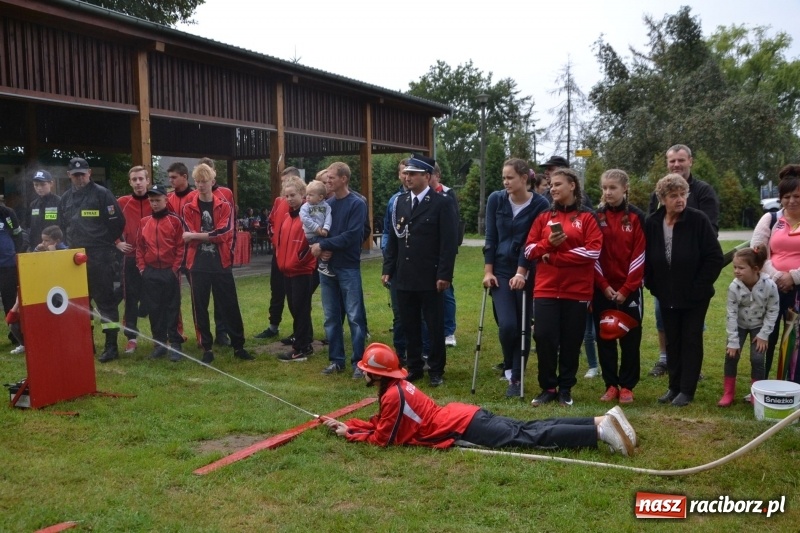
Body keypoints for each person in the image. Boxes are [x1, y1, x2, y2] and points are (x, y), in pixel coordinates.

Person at [322, 343, 636, 457]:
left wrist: (351, 434)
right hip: (465, 416)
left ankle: (599, 431)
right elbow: (382, 425)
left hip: (463, 426)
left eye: (365, 369)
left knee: (530, 437)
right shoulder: (398, 388)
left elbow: (383, 439)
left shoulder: (393, 396)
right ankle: (602, 420)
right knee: (530, 428)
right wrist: (349, 426)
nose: (363, 373)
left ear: (376, 374)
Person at [524, 168, 602, 407]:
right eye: (551, 185)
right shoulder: (543, 217)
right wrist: (547, 244)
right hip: (546, 289)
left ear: (572, 186)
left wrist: (555, 257)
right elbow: (529, 250)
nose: (553, 188)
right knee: (544, 337)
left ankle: (566, 388)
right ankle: (548, 387)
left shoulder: (587, 217)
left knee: (571, 341)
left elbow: (593, 252)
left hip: (577, 291)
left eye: (558, 184)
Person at [644, 174, 723, 407]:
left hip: (695, 296)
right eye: (673, 196)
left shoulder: (698, 220)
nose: (680, 199)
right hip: (666, 294)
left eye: (683, 194)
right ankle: (674, 387)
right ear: (662, 198)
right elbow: (646, 257)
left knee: (690, 339)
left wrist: (698, 288)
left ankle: (687, 390)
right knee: (672, 340)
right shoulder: (653, 222)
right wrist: (653, 284)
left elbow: (714, 257)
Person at [382, 155, 458, 387]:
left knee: (433, 325)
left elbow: (448, 242)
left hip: (429, 274)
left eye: (413, 174)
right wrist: (388, 268)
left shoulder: (441, 203)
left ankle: (436, 369)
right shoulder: (400, 202)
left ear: (426, 176)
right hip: (404, 273)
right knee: (409, 323)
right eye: (406, 173)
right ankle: (414, 366)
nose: (408, 177)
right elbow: (394, 239)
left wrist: (444, 274)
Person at [483, 158, 549, 397]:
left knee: (522, 325)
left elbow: (533, 241)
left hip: (528, 270)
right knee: (507, 325)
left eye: (510, 177)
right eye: (504, 178)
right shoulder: (496, 199)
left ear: (524, 178)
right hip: (500, 270)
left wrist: (523, 271)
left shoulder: (540, 204)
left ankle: (516, 377)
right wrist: (488, 271)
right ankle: (509, 364)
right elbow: (491, 238)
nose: (505, 182)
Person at [181, 163, 252, 364]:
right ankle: (207, 347)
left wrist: (196, 235)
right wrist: (202, 236)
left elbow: (223, 234)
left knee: (230, 304)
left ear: (212, 181)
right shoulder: (188, 207)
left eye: (204, 181)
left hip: (221, 263)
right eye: (197, 181)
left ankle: (238, 346)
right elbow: (186, 234)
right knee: (200, 307)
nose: (201, 185)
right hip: (197, 264)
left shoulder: (224, 206)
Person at [59, 157, 125, 362]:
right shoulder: (65, 198)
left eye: (82, 174)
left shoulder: (102, 194)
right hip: (75, 258)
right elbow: (62, 225)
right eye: (75, 175)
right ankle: (86, 344)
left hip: (100, 256)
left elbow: (118, 223)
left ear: (89, 173)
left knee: (105, 301)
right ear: (69, 176)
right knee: (80, 302)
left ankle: (111, 346)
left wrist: (103, 242)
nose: (79, 178)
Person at [592, 169, 646, 404]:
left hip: (629, 289)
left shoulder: (636, 216)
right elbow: (593, 253)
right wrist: (603, 285)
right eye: (604, 188)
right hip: (602, 288)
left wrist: (626, 289)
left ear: (625, 188)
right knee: (605, 337)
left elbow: (640, 254)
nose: (608, 192)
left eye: (613, 188)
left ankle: (627, 386)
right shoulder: (596, 216)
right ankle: (611, 384)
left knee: (630, 339)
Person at [310, 162, 368, 377]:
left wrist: (325, 246)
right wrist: (319, 247)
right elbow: (314, 229)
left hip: (348, 267)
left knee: (355, 317)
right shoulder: (326, 204)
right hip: (327, 269)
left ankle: (359, 363)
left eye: (332, 177)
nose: (328, 181)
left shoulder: (357, 204)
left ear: (344, 179)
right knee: (331, 316)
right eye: (327, 178)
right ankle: (336, 360)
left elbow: (352, 235)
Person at [750, 164, 800, 380]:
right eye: (787, 197)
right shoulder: (770, 219)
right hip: (771, 288)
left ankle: (792, 386)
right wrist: (779, 277)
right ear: (780, 198)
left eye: (797, 196)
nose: (792, 201)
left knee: (795, 341)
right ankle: (759, 385)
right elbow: (757, 251)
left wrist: (794, 277)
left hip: (798, 290)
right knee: (765, 338)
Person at [719, 248, 779, 406]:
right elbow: (731, 314)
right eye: (735, 267)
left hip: (759, 327)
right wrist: (733, 341)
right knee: (731, 356)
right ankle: (728, 393)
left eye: (741, 268)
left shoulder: (770, 285)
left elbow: (773, 310)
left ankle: (755, 394)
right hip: (739, 325)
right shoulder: (734, 287)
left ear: (755, 269)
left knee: (757, 359)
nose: (736, 271)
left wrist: (764, 335)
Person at [136, 184, 185, 362]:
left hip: (169, 271)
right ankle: (159, 344)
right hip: (150, 272)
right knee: (154, 309)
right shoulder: (144, 222)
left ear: (166, 199)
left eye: (157, 200)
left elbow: (181, 246)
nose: (154, 204)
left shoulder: (175, 221)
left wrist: (174, 269)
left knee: (172, 308)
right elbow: (139, 248)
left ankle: (175, 343)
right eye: (151, 201)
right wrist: (143, 269)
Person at [254, 166, 301, 341]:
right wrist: (276, 241)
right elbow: (271, 222)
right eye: (282, 183)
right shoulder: (279, 201)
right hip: (279, 254)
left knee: (296, 294)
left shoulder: (304, 204)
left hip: (295, 256)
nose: (284, 187)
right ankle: (273, 325)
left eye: (287, 182)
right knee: (276, 290)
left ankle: (300, 331)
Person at [276, 179, 318, 362]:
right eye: (286, 196)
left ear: (303, 194)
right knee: (294, 307)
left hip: (302, 270)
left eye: (293, 195)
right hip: (287, 270)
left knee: (301, 308)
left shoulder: (308, 216)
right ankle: (305, 341)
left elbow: (313, 241)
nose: (289, 199)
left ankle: (301, 347)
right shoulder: (287, 217)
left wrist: (301, 259)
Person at [116, 165, 152, 355]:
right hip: (130, 257)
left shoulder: (156, 199)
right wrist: (117, 243)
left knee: (153, 297)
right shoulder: (122, 202)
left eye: (141, 179)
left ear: (147, 181)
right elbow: (109, 224)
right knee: (130, 298)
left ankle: (160, 336)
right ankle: (131, 338)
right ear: (130, 182)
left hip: (152, 259)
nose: (138, 183)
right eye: (134, 180)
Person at [430, 163, 461, 347]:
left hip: (444, 252)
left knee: (446, 290)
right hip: (427, 254)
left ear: (437, 176)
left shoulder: (447, 194)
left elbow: (453, 224)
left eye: (430, 174)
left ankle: (449, 331)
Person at [300, 180, 333, 277]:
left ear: (320, 197)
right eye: (307, 194)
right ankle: (323, 265)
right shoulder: (305, 207)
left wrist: (326, 228)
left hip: (322, 232)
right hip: (312, 234)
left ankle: (323, 264)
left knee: (329, 245)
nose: (307, 197)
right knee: (326, 246)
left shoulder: (326, 206)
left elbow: (328, 217)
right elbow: (305, 219)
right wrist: (317, 228)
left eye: (311, 195)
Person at [26, 169, 60, 252]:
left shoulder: (59, 202)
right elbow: (29, 227)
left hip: (55, 247)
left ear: (51, 183)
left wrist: (59, 244)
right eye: (36, 185)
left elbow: (64, 225)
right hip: (36, 247)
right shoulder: (33, 204)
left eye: (42, 184)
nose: (39, 188)